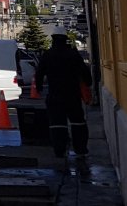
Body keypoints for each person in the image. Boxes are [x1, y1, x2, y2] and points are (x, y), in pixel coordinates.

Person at [35, 28, 93, 159]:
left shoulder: (48, 55)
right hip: (73, 95)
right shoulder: (73, 54)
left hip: (55, 95)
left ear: (53, 39)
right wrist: (88, 84)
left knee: (57, 124)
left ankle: (60, 150)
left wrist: (39, 88)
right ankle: (80, 149)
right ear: (65, 39)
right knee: (78, 122)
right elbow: (85, 72)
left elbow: (39, 73)